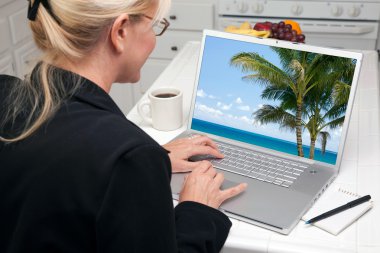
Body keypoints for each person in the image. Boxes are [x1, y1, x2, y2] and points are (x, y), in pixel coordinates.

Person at [0, 0, 247, 252]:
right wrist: (198, 210)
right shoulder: (128, 156)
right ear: (120, 32)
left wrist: (142, 164)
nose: (154, 39)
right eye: (154, 27)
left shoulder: (5, 93)